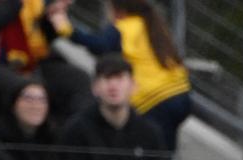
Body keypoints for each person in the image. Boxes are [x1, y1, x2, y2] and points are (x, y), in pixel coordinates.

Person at [48, 0, 192, 151]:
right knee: (164, 153)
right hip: (180, 94)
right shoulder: (150, 24)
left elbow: (99, 45)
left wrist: (65, 28)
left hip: (153, 99)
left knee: (151, 154)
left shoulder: (125, 28)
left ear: (118, 9)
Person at [58, 53, 166, 160]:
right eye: (107, 78)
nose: (113, 86)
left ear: (133, 86)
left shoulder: (150, 133)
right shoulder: (76, 131)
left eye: (119, 78)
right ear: (95, 87)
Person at [0, 78, 57, 160]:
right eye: (28, 99)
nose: (36, 106)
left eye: (42, 100)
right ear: (13, 104)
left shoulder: (53, 137)